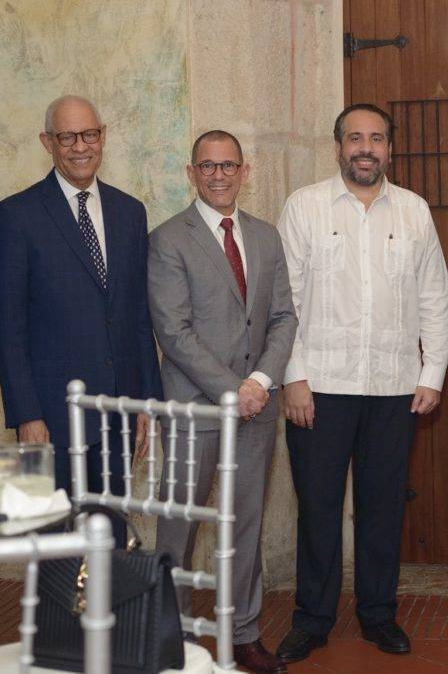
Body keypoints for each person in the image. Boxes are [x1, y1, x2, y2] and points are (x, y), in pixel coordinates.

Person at [274, 103, 448, 662]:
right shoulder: (303, 207)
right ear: (338, 147)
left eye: (376, 138)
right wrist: (293, 378)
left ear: (390, 149)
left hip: (393, 387)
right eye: (355, 138)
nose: (365, 148)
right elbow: (287, 302)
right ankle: (312, 618)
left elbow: (435, 299)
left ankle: (378, 615)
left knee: (381, 508)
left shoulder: (415, 211)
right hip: (320, 388)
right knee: (319, 508)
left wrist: (432, 373)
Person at [147, 130, 297, 674]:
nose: (218, 175)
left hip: (257, 409)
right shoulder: (168, 239)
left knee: (244, 525)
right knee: (177, 525)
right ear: (191, 173)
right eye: (207, 166)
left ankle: (243, 633)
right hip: (195, 408)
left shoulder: (265, 236)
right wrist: (233, 390)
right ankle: (172, 633)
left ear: (244, 171)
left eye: (228, 166)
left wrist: (259, 382)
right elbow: (174, 329)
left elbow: (283, 316)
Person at [0, 95, 161, 536]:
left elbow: (138, 316)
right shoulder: (14, 214)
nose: (80, 146)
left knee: (110, 544)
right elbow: (7, 328)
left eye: (89, 134)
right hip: (46, 420)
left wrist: (146, 402)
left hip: (116, 414)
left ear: (102, 137)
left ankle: (108, 609)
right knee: (43, 550)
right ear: (48, 142)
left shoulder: (130, 212)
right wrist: (26, 416)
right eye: (67, 136)